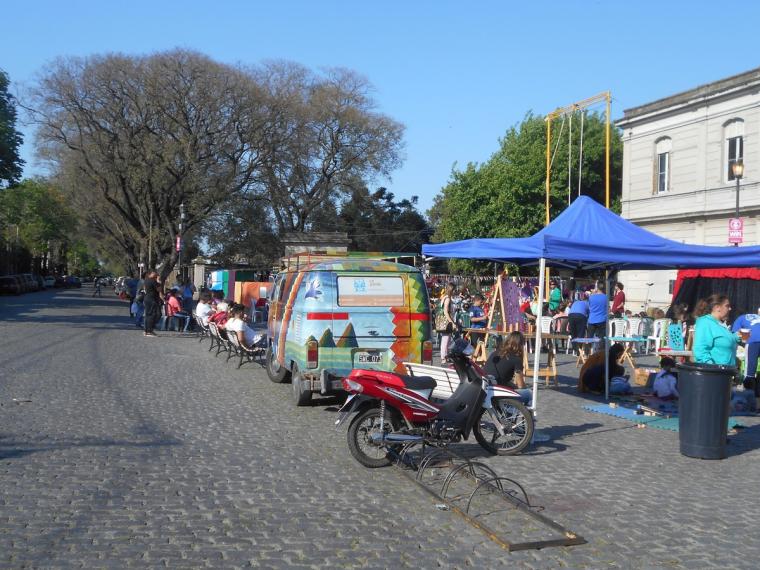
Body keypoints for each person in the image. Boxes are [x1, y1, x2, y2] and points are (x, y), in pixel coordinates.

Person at [483, 331, 531, 404]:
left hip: (486, 387)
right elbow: (520, 385)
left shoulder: (496, 353)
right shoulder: (516, 359)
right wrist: (525, 389)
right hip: (497, 390)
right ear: (520, 345)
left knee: (512, 385)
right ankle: (523, 414)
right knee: (528, 394)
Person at [693, 294, 738, 366]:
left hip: (726, 373)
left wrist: (737, 336)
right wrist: (711, 368)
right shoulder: (705, 322)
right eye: (727, 306)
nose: (730, 309)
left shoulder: (719, 324)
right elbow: (700, 350)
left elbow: (723, 339)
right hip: (714, 374)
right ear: (717, 307)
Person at [731, 307, 760, 391]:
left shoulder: (740, 318)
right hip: (754, 340)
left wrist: (741, 344)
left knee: (750, 368)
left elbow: (735, 333)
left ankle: (748, 391)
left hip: (753, 341)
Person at [439, 283, 457, 361]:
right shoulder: (447, 298)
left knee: (447, 339)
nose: (455, 291)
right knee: (445, 340)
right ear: (451, 290)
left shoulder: (444, 297)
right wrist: (452, 322)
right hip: (446, 321)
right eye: (454, 290)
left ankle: (446, 356)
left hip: (445, 321)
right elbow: (446, 312)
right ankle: (444, 357)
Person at [142, 271, 163, 337]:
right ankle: (149, 330)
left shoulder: (146, 280)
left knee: (148, 315)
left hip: (147, 299)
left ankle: (147, 330)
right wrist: (159, 282)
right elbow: (159, 289)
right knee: (153, 314)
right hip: (152, 299)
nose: (156, 274)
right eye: (154, 273)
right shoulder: (152, 281)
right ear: (150, 274)